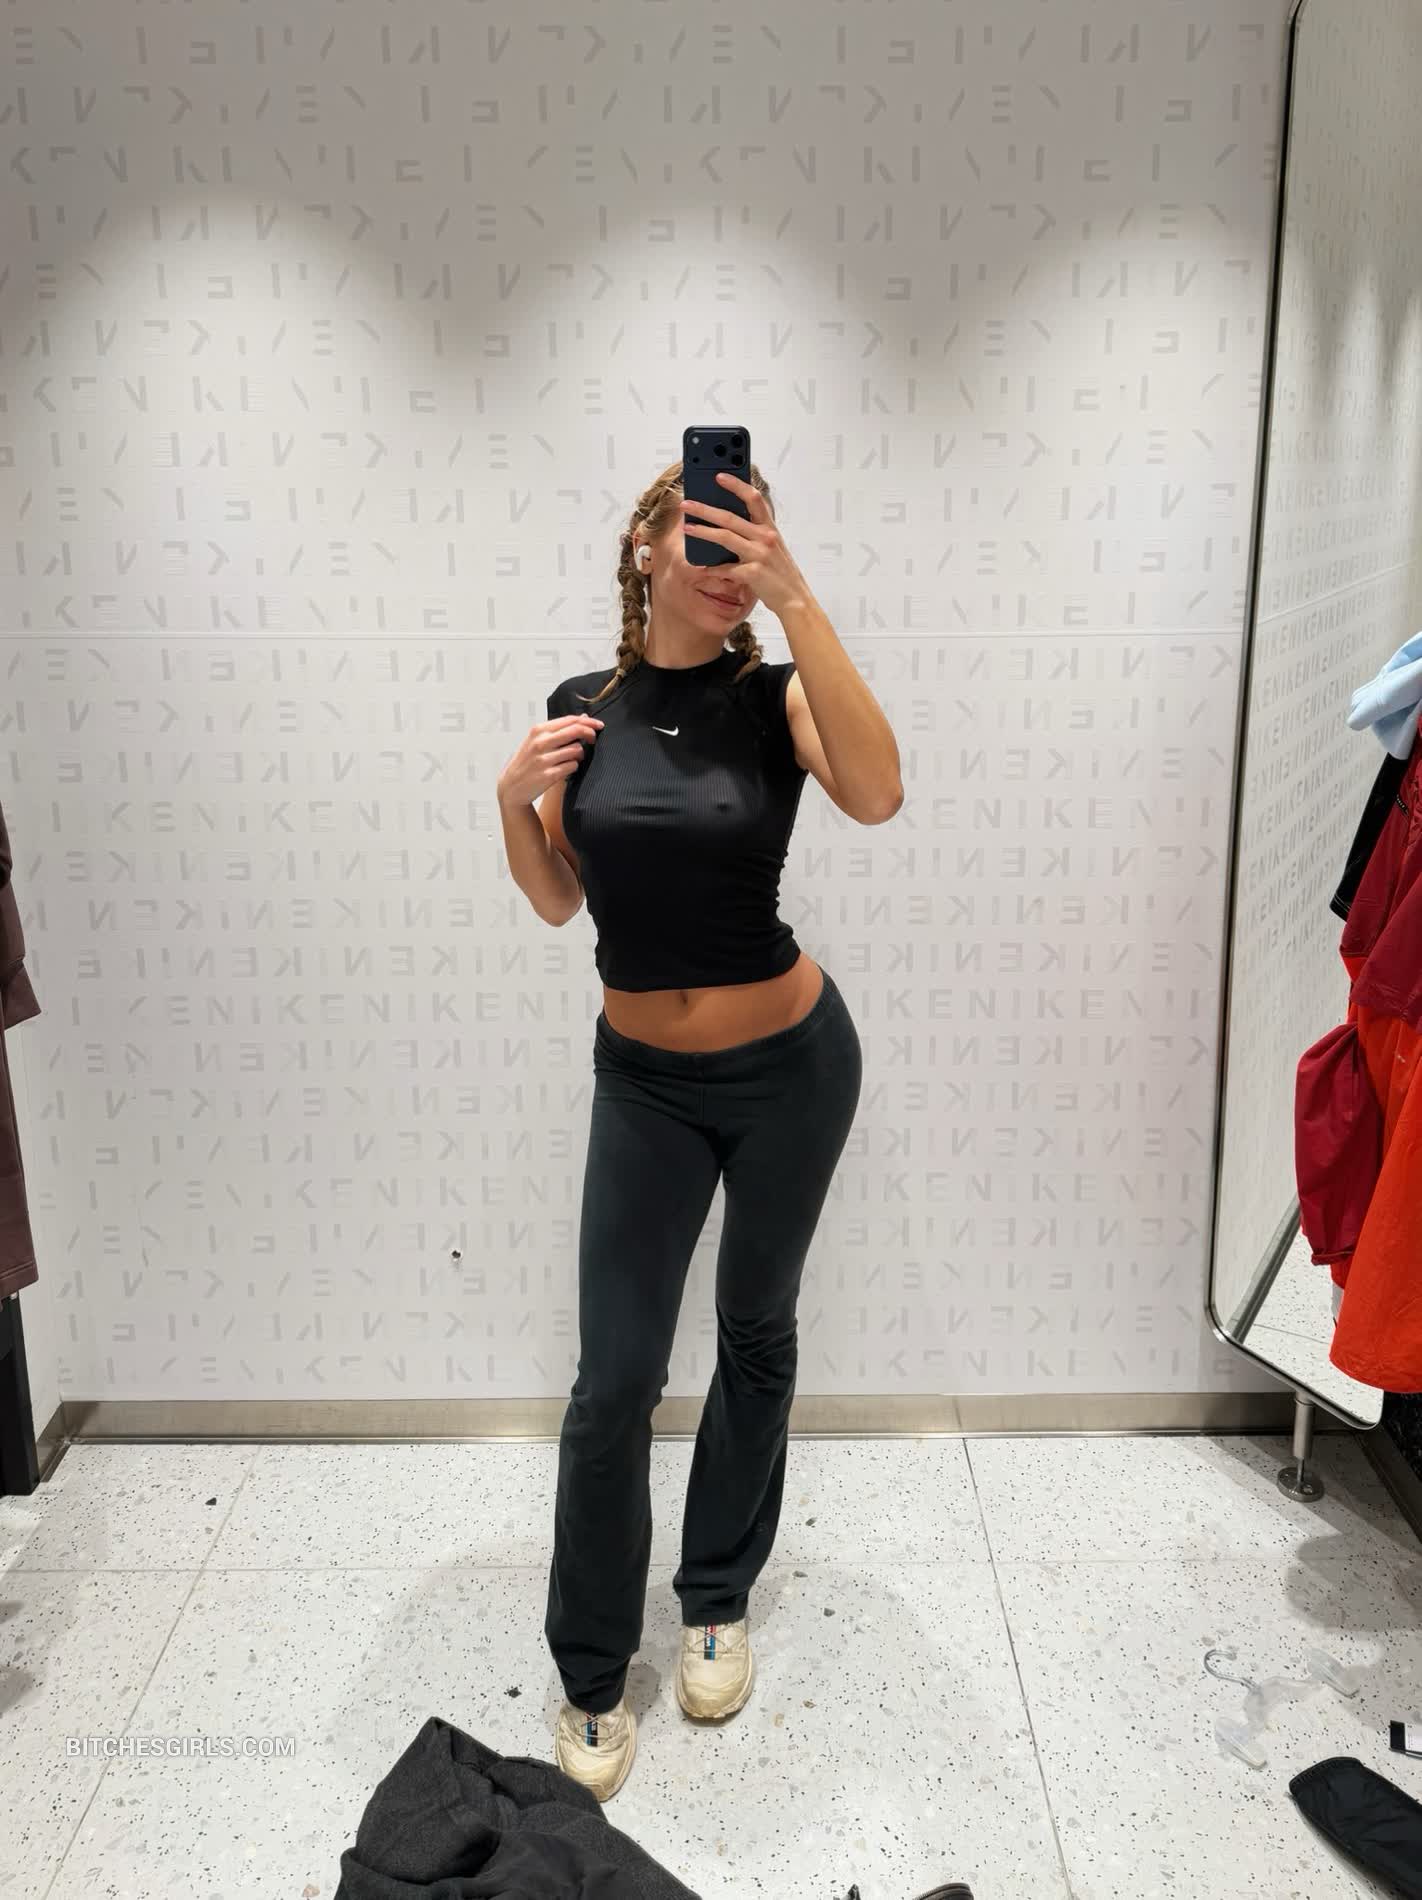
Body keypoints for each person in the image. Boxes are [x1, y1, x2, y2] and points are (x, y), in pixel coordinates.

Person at [496, 455, 904, 1800]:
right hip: (644, 1085)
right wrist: (511, 804)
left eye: (751, 535)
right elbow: (559, 899)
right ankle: (592, 1670)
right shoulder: (582, 708)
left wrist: (798, 601)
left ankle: (715, 1597)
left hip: (792, 1067)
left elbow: (877, 792)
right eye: (705, 533)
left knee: (754, 1329)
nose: (728, 558)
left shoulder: (774, 696)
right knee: (613, 1379)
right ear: (644, 551)